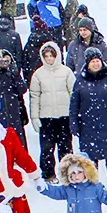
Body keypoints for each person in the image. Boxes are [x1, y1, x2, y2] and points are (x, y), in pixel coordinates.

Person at [70, 48, 107, 191]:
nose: (96, 64)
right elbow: (74, 105)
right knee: (91, 158)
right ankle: (94, 182)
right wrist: (74, 124)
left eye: (98, 61)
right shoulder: (80, 81)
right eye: (93, 61)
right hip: (88, 125)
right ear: (87, 63)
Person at [29, 41, 75, 182]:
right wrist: (35, 118)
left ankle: (67, 172)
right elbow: (34, 98)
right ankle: (48, 174)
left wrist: (74, 116)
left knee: (65, 147)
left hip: (64, 117)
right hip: (46, 118)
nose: (49, 59)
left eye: (51, 56)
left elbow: (73, 94)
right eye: (46, 56)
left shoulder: (66, 72)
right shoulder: (38, 74)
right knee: (47, 149)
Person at [22, 16, 55, 86]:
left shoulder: (29, 43)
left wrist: (27, 80)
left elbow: (24, 63)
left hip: (33, 76)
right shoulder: (51, 44)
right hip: (50, 77)